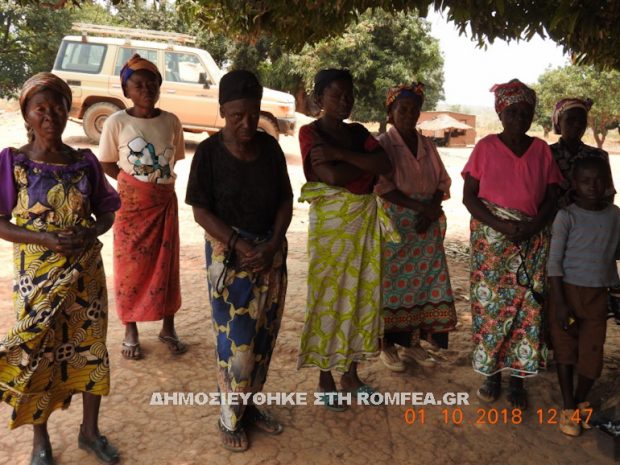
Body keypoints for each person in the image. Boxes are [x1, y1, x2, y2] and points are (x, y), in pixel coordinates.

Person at [0, 73, 121, 465]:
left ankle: (90, 432)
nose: (49, 115)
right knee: (38, 354)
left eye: (57, 107)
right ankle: (41, 441)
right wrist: (45, 239)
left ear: (68, 112)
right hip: (37, 277)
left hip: (85, 275)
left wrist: (90, 231)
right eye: (40, 108)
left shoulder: (84, 162)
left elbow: (107, 212)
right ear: (27, 114)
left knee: (90, 348)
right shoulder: (13, 162)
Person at [186, 70, 293, 452]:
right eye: (236, 116)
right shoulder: (208, 153)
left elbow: (285, 199)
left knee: (263, 338)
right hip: (231, 259)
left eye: (253, 114)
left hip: (270, 255)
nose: (246, 124)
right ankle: (229, 417)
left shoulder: (271, 149)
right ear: (221, 111)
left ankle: (248, 406)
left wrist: (273, 243)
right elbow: (200, 211)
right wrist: (240, 244)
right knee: (237, 344)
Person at [462, 79, 563, 410]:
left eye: (525, 112)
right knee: (492, 310)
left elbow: (552, 197)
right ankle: (491, 374)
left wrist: (534, 225)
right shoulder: (485, 147)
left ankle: (518, 378)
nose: (519, 118)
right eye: (512, 112)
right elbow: (469, 198)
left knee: (527, 310)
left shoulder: (542, 150)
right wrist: (502, 225)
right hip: (493, 244)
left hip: (532, 242)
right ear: (500, 114)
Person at [296, 69, 395, 407]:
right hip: (332, 227)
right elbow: (330, 176)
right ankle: (325, 378)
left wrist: (341, 155)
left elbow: (386, 164)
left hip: (364, 225)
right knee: (328, 296)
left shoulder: (357, 133)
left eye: (349, 95)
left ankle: (351, 375)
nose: (344, 101)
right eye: (336, 94)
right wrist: (366, 165)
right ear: (319, 99)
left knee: (362, 296)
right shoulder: (310, 133)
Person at [98, 54, 187, 360]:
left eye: (152, 84)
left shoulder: (171, 121)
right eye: (138, 84)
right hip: (131, 207)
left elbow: (171, 161)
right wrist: (136, 186)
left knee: (167, 264)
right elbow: (107, 163)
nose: (146, 89)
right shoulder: (116, 122)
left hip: (163, 204)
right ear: (126, 90)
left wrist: (153, 186)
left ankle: (168, 327)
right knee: (130, 267)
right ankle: (130, 328)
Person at [375, 83, 457, 372]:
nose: (409, 115)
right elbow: (382, 186)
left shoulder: (427, 145)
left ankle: (411, 342)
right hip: (396, 226)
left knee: (421, 285)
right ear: (391, 112)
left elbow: (442, 181)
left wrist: (431, 208)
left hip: (425, 226)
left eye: (414, 110)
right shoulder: (383, 144)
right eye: (403, 109)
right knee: (392, 285)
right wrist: (420, 208)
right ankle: (386, 345)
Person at [547, 157, 620, 436]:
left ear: (608, 183)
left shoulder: (615, 215)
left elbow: (613, 252)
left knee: (593, 352)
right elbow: (554, 263)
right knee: (565, 349)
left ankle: (578, 401)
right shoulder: (567, 216)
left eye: (599, 180)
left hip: (597, 296)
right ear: (574, 184)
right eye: (586, 181)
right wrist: (560, 304)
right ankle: (568, 407)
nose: (593, 186)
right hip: (567, 293)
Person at [549, 98, 615, 208]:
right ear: (559, 122)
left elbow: (608, 195)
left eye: (582, 120)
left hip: (591, 218)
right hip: (553, 218)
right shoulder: (546, 154)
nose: (577, 124)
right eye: (570, 119)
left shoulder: (599, 156)